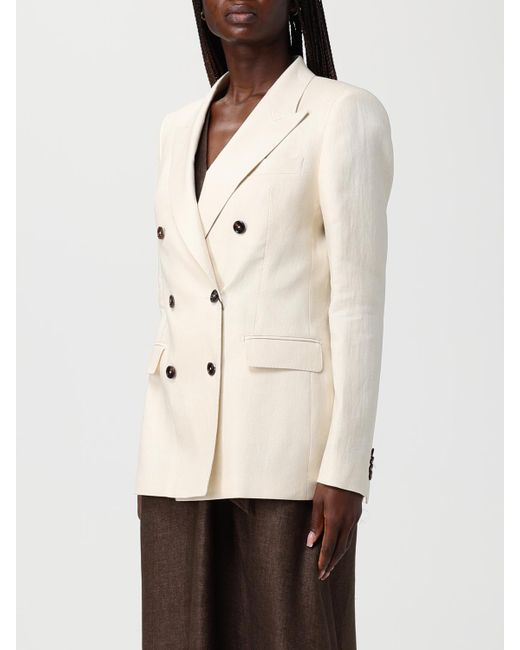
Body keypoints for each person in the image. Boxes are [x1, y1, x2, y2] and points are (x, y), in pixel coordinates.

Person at [135, 1, 394, 648]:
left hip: (287, 447)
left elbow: (358, 302)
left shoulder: (342, 113)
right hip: (177, 445)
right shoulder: (176, 128)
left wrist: (346, 465)